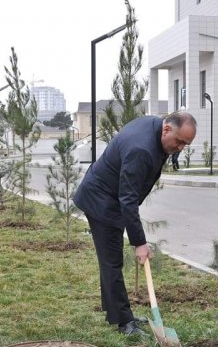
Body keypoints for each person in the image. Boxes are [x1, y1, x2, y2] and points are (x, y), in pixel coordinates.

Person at [73, 112, 197, 335]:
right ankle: (124, 322)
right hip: (101, 201)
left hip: (108, 196)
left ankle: (116, 312)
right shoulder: (141, 149)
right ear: (167, 129)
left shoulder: (155, 128)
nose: (180, 148)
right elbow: (127, 200)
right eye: (179, 141)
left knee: (109, 260)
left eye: (186, 144)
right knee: (112, 262)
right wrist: (139, 243)